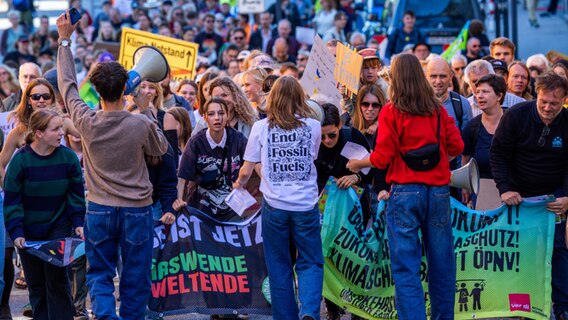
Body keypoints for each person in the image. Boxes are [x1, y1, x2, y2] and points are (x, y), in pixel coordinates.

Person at [56, 11, 168, 320]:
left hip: (100, 209)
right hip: (137, 210)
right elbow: (161, 148)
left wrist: (64, 41)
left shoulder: (86, 120)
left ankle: (105, 316)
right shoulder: (140, 124)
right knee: (135, 278)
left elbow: (67, 86)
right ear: (127, 88)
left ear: (98, 89)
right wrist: (145, 111)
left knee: (100, 274)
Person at [346, 53, 463, 320]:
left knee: (406, 268)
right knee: (442, 265)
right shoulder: (436, 109)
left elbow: (382, 157)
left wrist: (358, 163)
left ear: (396, 77)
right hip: (438, 192)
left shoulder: (392, 110)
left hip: (405, 192)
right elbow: (457, 146)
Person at [233, 76, 322, 320]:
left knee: (279, 265)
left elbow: (247, 169)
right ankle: (310, 313)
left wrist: (239, 184)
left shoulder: (261, 128)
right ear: (299, 98)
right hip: (305, 204)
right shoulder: (313, 127)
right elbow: (311, 157)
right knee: (311, 261)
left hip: (275, 206)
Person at [490, 72, 568, 320]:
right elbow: (498, 154)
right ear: (536, 96)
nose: (547, 108)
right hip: (519, 197)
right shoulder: (516, 116)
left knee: (556, 249)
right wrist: (504, 189)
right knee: (520, 251)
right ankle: (522, 305)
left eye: (554, 104)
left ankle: (562, 306)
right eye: (543, 101)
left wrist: (567, 196)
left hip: (554, 198)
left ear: (565, 100)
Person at [3, 109, 85, 320]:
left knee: (58, 281)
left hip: (59, 226)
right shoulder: (21, 161)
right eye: (55, 129)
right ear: (39, 133)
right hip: (29, 231)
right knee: (37, 284)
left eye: (61, 128)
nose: (61, 133)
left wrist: (78, 222)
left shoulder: (68, 157)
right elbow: (12, 200)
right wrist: (17, 231)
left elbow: (75, 195)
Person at [315, 103, 370, 320]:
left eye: (331, 135)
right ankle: (333, 307)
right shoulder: (312, 142)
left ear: (340, 125)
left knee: (354, 256)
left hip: (353, 207)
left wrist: (355, 177)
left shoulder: (353, 137)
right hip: (323, 207)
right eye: (322, 137)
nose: (327, 141)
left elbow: (372, 167)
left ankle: (358, 304)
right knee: (327, 256)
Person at [174, 97, 247, 222]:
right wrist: (179, 200)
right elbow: (182, 178)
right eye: (211, 114)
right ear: (205, 117)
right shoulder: (196, 142)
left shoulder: (238, 139)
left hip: (233, 207)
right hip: (202, 208)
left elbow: (252, 164)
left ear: (228, 115)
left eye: (221, 113)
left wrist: (241, 182)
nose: (217, 118)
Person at [461, 74, 507, 208]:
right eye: (477, 92)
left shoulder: (513, 121)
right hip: (483, 192)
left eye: (485, 92)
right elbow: (465, 160)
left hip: (514, 192)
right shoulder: (472, 127)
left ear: (499, 96)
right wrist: (465, 186)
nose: (479, 96)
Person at [193, 77, 257, 138]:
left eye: (224, 95)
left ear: (235, 96)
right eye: (217, 97)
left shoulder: (249, 120)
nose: (221, 100)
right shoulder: (203, 123)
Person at [425, 57, 473, 132]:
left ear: (451, 76)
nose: (438, 81)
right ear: (425, 77)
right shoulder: (415, 104)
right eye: (433, 76)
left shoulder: (462, 105)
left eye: (443, 76)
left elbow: (467, 140)